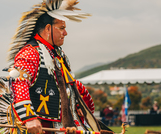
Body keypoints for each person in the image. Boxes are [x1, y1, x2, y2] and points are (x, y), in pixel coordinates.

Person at [6, 1, 95, 134]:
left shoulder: (58, 54)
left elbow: (65, 86)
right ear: (48, 28)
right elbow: (19, 82)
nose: (65, 33)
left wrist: (77, 104)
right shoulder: (31, 53)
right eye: (61, 28)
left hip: (63, 125)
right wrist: (29, 118)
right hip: (41, 128)